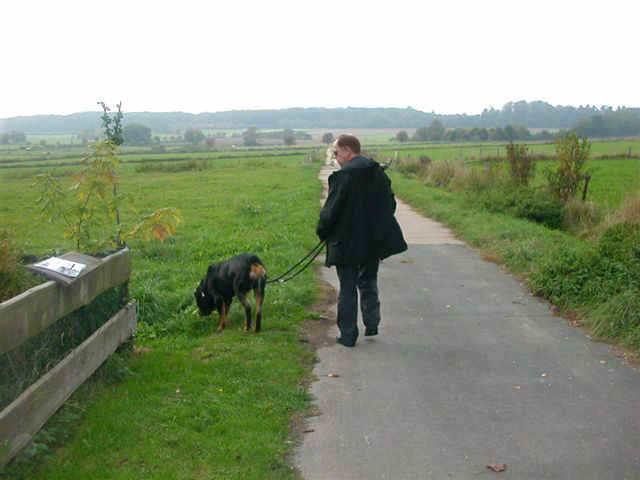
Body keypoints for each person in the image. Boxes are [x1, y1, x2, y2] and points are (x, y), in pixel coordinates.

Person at [316, 134, 407, 347]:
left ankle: (348, 335)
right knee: (368, 280)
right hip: (372, 241)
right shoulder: (378, 173)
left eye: (337, 153)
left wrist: (323, 232)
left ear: (348, 150)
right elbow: (390, 207)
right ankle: (372, 323)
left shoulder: (343, 176)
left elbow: (330, 213)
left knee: (347, 287)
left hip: (346, 242)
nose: (336, 158)